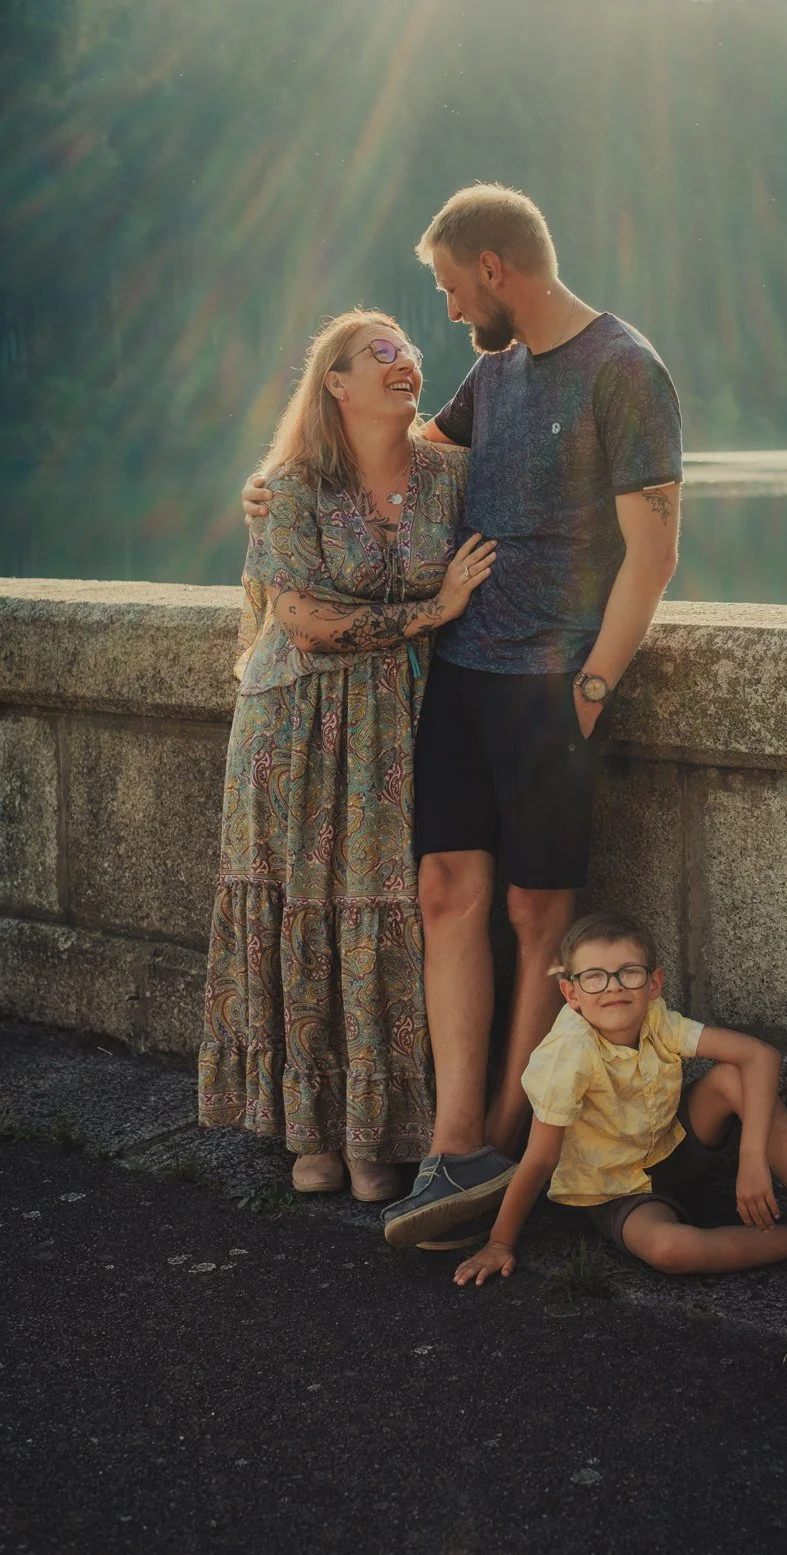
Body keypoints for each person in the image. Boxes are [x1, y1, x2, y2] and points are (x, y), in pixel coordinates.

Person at [244, 184, 683, 1249]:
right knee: (447, 893)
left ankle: (493, 1145)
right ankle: (451, 1147)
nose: (443, 311)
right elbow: (387, 451)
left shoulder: (623, 369)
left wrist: (588, 690)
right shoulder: (495, 375)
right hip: (461, 677)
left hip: (550, 693)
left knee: (538, 922)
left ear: (493, 267)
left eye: (447, 285)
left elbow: (655, 552)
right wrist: (278, 484)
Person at [199, 309, 494, 1200]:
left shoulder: (452, 475)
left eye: (407, 349)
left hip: (393, 727)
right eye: (381, 352)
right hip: (290, 726)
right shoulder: (290, 485)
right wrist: (429, 615)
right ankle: (310, 1131)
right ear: (335, 381)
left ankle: (376, 1135)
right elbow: (301, 621)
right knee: (303, 910)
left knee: (377, 910)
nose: (404, 361)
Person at [455, 912, 787, 1296]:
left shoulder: (657, 1018)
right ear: (571, 993)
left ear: (654, 983)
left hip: (672, 1150)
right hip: (616, 1190)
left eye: (628, 973)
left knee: (736, 1078)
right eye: (594, 978)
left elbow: (761, 1056)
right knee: (670, 1251)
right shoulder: (567, 1055)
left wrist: (752, 1159)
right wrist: (499, 1242)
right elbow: (539, 1158)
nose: (613, 988)